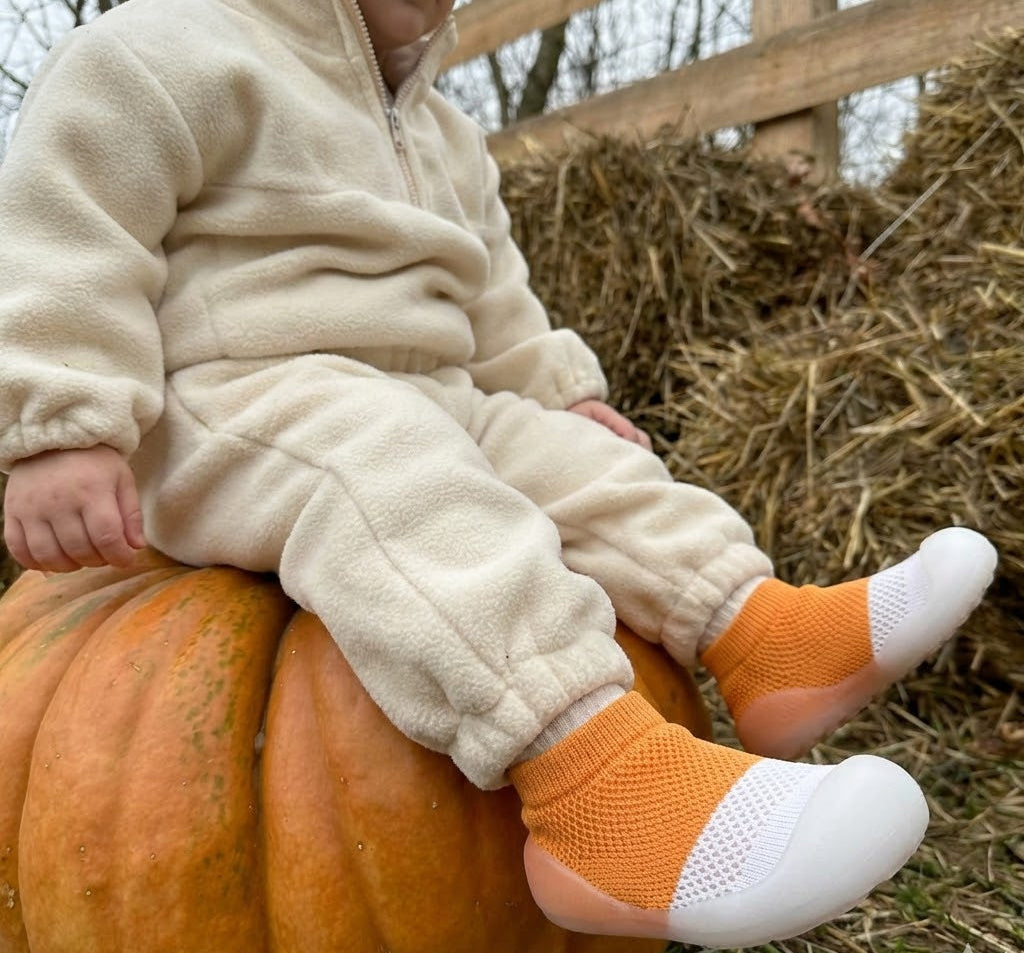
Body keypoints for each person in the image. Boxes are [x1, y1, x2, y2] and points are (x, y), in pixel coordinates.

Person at [0, 0, 997, 947]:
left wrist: (557, 395)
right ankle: (596, 790)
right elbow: (65, 232)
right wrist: (63, 423)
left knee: (579, 468)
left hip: (425, 392)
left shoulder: (441, 130)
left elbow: (494, 297)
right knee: (394, 474)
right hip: (225, 402)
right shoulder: (162, 54)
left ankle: (763, 631)